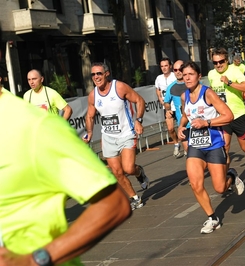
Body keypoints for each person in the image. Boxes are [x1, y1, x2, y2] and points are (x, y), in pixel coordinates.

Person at [0, 72, 131, 265]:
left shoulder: (35, 126)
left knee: (125, 168)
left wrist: (35, 260)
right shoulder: (27, 98)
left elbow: (114, 204)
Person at [177, 61, 243, 234]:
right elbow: (186, 114)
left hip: (214, 144)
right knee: (195, 183)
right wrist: (181, 127)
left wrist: (206, 122)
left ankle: (231, 175)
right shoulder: (184, 96)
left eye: (191, 74)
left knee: (220, 188)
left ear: (199, 76)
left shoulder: (208, 94)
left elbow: (228, 115)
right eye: (184, 75)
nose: (187, 78)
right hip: (196, 145)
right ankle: (212, 218)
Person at [84, 62, 150, 210]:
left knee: (128, 168)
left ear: (106, 74)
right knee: (117, 173)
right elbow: (89, 116)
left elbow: (140, 101)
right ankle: (134, 198)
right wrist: (89, 133)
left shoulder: (119, 87)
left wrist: (138, 121)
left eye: (99, 73)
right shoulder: (93, 95)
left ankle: (139, 172)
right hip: (108, 137)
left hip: (126, 133)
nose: (96, 77)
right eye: (93, 74)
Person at [208, 48, 245, 175]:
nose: (218, 65)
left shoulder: (234, 71)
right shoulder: (211, 74)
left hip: (238, 115)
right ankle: (225, 177)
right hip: (223, 117)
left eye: (221, 61)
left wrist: (229, 82)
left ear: (227, 60)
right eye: (215, 62)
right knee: (224, 148)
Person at [155, 57, 179, 156]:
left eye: (166, 66)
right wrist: (160, 99)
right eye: (162, 66)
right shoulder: (159, 78)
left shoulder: (175, 76)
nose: (164, 68)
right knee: (170, 129)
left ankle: (187, 146)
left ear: (170, 66)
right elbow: (158, 89)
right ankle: (176, 144)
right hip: (167, 107)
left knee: (183, 127)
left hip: (177, 106)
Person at [164, 60, 188, 157]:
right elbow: (166, 102)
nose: (178, 72)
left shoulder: (191, 83)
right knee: (190, 154)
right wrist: (168, 109)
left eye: (180, 69)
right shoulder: (171, 87)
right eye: (175, 70)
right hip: (182, 124)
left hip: (196, 121)